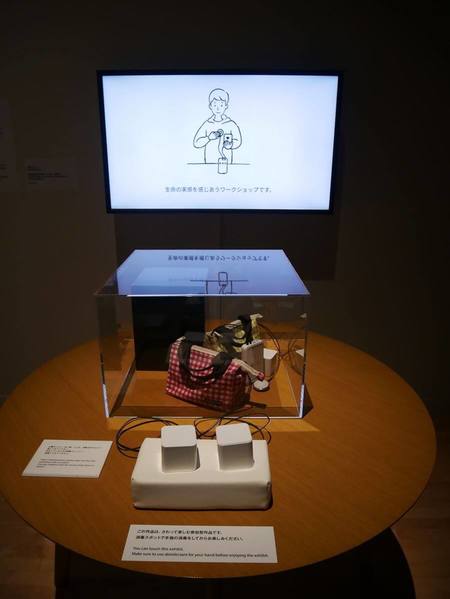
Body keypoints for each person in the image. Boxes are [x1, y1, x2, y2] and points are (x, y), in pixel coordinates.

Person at [193, 89, 242, 164]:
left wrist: (231, 145)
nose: (218, 108)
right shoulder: (207, 124)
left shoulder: (231, 124)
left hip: (226, 162)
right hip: (209, 162)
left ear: (226, 106)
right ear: (210, 106)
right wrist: (208, 138)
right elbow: (196, 143)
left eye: (221, 105)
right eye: (215, 105)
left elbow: (238, 141)